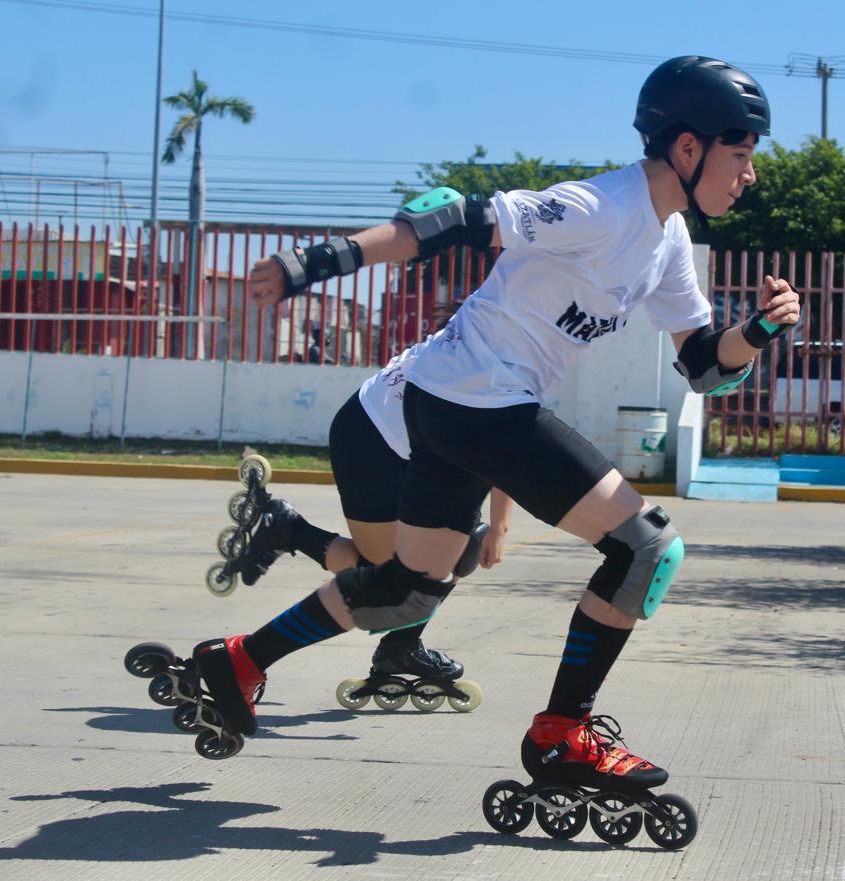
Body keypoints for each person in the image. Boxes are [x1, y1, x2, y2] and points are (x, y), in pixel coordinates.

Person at [182, 56, 801, 793]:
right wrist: (316, 262)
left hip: (458, 403)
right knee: (646, 548)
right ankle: (563, 734)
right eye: (742, 153)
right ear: (690, 148)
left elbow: (702, 365)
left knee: (408, 591)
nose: (750, 173)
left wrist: (758, 329)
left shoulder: (665, 243)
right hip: (477, 401)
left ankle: (240, 659)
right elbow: (453, 220)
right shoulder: (601, 208)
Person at [231, 303, 512, 690]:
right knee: (402, 576)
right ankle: (290, 533)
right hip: (369, 437)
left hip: (412, 445)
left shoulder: (505, 342)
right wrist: (498, 527)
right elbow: (501, 448)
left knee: (440, 558)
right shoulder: (498, 353)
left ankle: (400, 644)